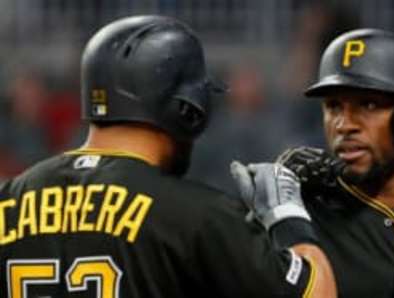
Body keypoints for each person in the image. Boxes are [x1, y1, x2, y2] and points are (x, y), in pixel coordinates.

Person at [0, 15, 337, 298]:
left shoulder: (8, 199)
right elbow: (317, 292)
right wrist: (288, 218)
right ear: (188, 110)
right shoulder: (194, 215)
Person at [237, 28, 394, 298]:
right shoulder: (303, 220)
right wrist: (276, 221)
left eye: (369, 105)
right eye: (334, 106)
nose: (345, 124)